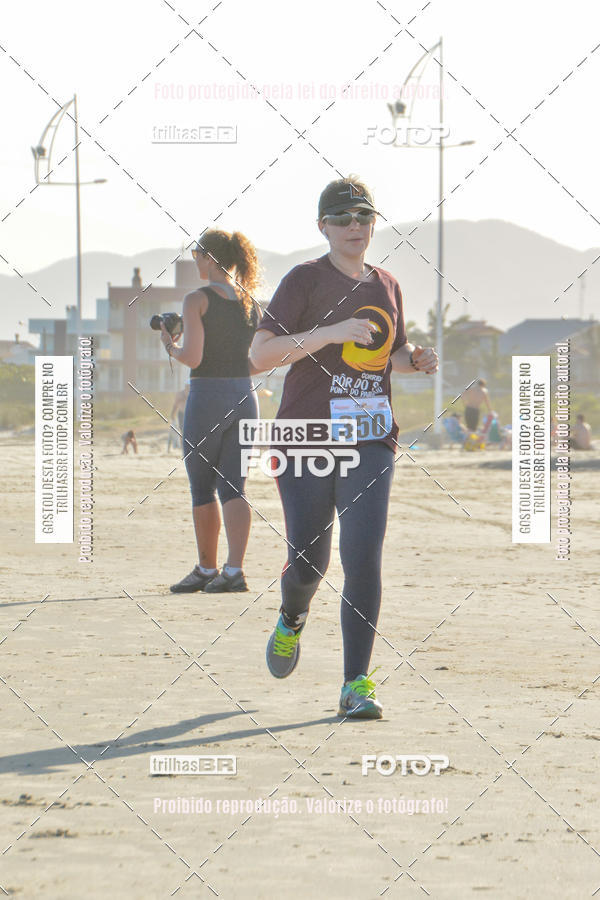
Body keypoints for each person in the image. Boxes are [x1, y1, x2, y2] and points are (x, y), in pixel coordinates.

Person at [250, 175, 438, 719]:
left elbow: (390, 354)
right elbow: (261, 355)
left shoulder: (388, 286)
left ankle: (356, 683)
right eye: (342, 218)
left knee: (363, 558)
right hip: (306, 435)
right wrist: (331, 333)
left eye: (363, 217)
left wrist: (414, 361)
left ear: (374, 223)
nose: (354, 227)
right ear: (323, 227)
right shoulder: (303, 281)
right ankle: (291, 618)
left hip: (370, 437)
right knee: (310, 561)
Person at [159, 229, 261, 594]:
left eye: (196, 255)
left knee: (202, 488)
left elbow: (194, 358)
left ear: (209, 257)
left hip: (208, 397)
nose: (194, 261)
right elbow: (255, 362)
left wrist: (170, 345)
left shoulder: (197, 300)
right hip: (245, 398)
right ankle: (234, 571)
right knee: (235, 486)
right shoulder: (250, 301)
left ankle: (206, 568)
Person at [167, 384, 189, 453]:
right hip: (181, 413)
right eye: (187, 386)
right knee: (182, 430)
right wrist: (172, 414)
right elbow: (175, 404)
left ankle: (187, 446)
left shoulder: (192, 393)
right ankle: (183, 447)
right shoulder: (179, 394)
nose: (188, 387)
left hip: (190, 413)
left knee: (189, 431)